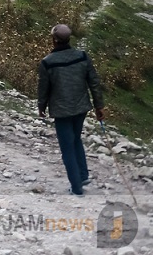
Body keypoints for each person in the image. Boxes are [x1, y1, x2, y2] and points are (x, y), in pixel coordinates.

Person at [38, 24, 105, 195]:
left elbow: (43, 88)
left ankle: (76, 187)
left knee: (67, 147)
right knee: (76, 140)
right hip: (81, 107)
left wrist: (41, 107)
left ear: (54, 40)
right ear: (69, 39)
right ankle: (82, 175)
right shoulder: (82, 56)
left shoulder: (47, 62)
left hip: (61, 110)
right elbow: (94, 82)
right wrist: (99, 106)